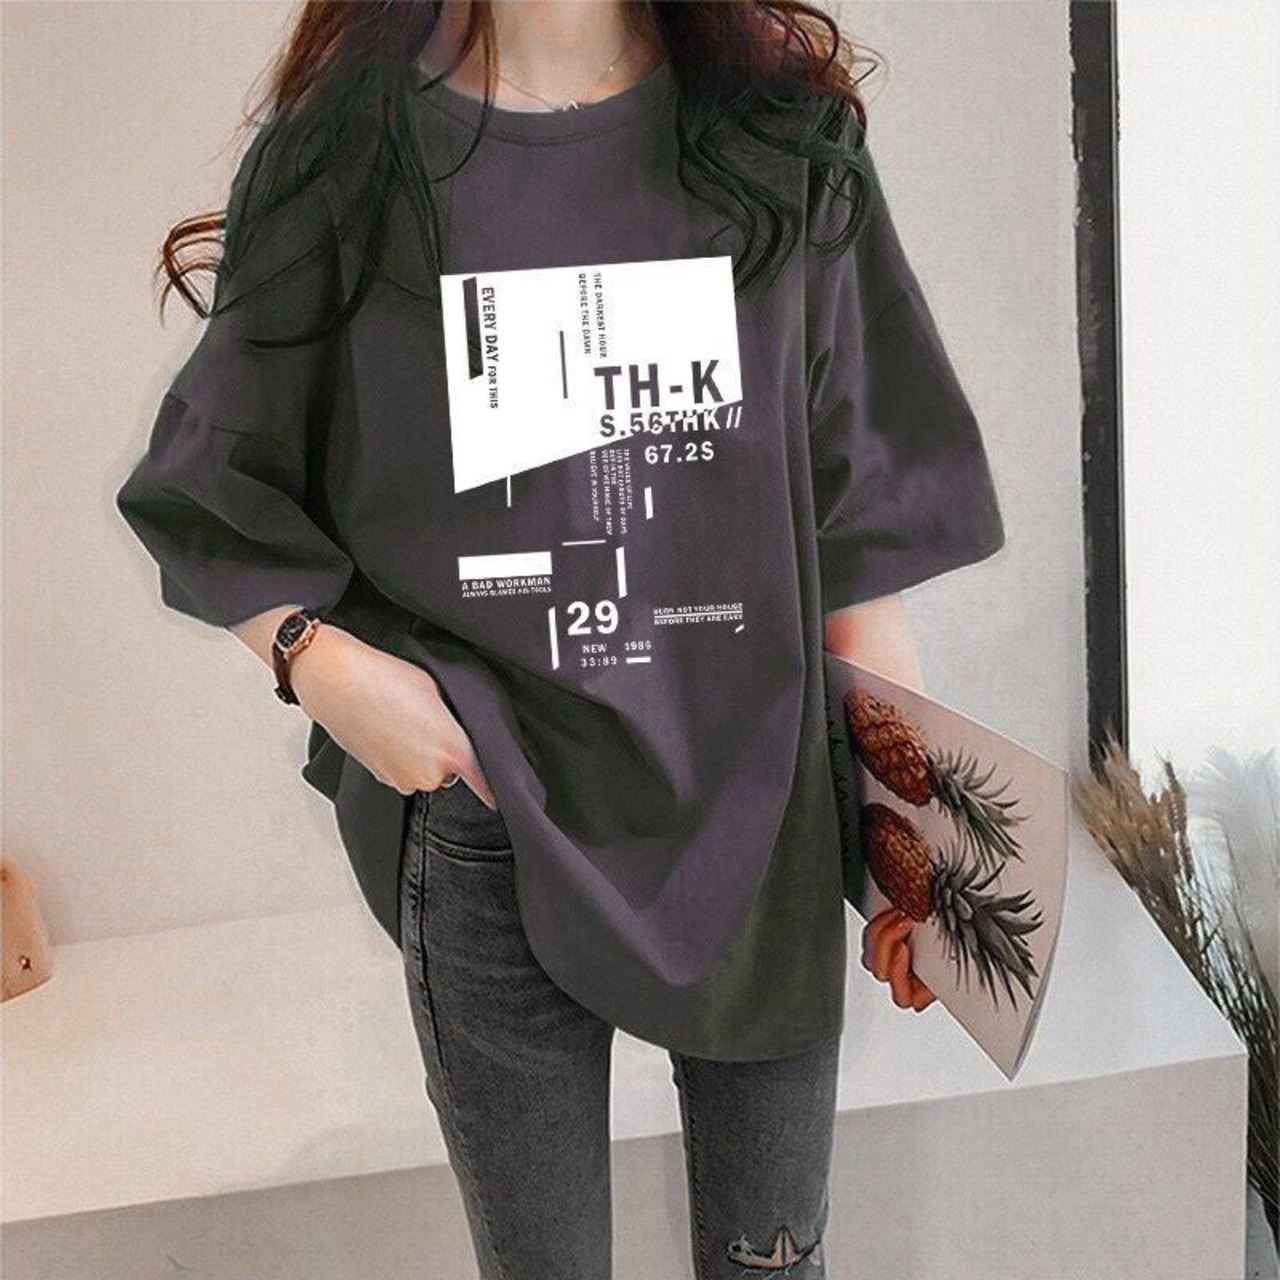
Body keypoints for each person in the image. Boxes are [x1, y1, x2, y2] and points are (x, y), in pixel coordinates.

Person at [115, 2, 1007, 1276]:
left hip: (754, 804)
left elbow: (853, 523)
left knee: (773, 1260)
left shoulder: (776, 135)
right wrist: (323, 664)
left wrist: (908, 841)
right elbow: (213, 472)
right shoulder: (350, 148)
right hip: (489, 813)